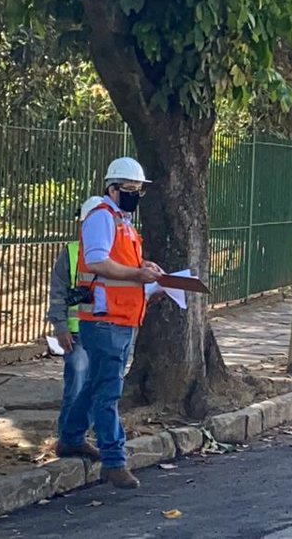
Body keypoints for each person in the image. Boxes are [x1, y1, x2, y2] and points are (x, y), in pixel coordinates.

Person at [62, 158, 163, 490]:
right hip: (106, 319)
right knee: (108, 391)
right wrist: (138, 274)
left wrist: (144, 269)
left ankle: (71, 437)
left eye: (139, 190)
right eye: (131, 190)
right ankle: (114, 461)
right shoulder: (102, 218)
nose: (136, 195)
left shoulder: (123, 223)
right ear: (112, 188)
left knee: (95, 385)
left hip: (119, 317)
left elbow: (120, 266)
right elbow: (96, 260)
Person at [48, 196, 105, 463]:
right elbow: (58, 294)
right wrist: (60, 326)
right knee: (77, 384)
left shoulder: (115, 253)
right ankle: (69, 439)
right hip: (77, 333)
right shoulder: (71, 254)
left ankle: (80, 435)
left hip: (106, 329)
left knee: (98, 386)